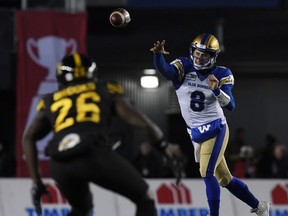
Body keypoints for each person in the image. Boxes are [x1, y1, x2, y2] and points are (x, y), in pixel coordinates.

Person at [23, 52, 169, 216]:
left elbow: (28, 137)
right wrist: (164, 147)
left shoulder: (51, 99)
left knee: (81, 209)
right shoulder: (103, 89)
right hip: (91, 153)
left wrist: (36, 182)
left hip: (60, 162)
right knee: (145, 198)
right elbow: (139, 122)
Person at [150, 33, 271, 216]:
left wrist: (216, 91)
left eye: (204, 55)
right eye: (197, 53)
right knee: (225, 179)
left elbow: (230, 105)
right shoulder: (184, 66)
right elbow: (166, 71)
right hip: (195, 132)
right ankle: (260, 207)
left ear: (213, 56)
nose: (199, 57)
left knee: (206, 173)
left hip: (215, 127)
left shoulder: (222, 73)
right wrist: (158, 56)